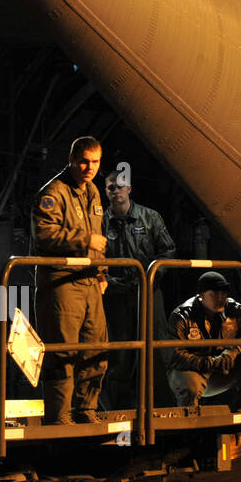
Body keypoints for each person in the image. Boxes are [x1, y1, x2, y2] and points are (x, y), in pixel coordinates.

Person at [31, 136, 108, 424]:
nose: (90, 167)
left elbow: (98, 239)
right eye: (84, 161)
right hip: (61, 284)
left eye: (96, 162)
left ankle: (85, 410)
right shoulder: (53, 193)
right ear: (72, 160)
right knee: (63, 354)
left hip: (89, 282)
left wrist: (101, 274)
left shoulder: (93, 192)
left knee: (95, 349)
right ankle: (59, 417)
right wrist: (84, 240)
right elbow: (44, 234)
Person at [100, 170, 175, 409]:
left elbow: (168, 252)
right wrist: (105, 280)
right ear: (106, 191)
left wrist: (150, 278)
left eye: (120, 186)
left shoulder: (150, 217)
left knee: (155, 349)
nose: (116, 190)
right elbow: (94, 257)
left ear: (129, 189)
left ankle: (161, 407)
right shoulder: (100, 221)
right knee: (119, 352)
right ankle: (116, 409)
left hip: (149, 293)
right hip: (115, 296)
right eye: (111, 187)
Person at [166, 270, 241, 412]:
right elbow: (174, 356)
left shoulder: (233, 310)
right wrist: (210, 363)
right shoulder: (182, 315)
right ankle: (189, 427)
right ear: (201, 296)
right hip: (194, 371)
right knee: (190, 384)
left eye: (223, 294)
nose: (220, 298)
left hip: (222, 370)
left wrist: (233, 349)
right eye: (214, 294)